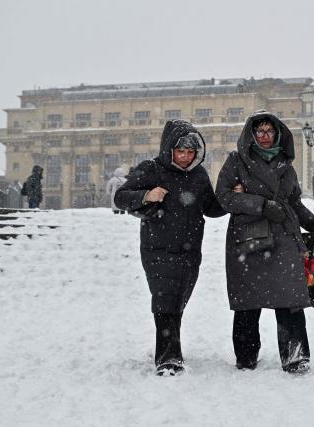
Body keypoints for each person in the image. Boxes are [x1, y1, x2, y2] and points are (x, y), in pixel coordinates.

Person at [216, 110, 314, 374]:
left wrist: (312, 224)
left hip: (284, 237)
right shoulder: (236, 161)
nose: (264, 136)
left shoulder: (285, 165)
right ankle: (246, 357)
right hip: (248, 238)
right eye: (259, 131)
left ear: (277, 134)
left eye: (269, 131)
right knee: (248, 302)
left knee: (289, 298)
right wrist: (261, 205)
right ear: (251, 134)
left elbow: (294, 202)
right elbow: (224, 197)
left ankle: (295, 356)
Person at [114, 119, 226, 377]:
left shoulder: (199, 175)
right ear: (169, 149)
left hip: (190, 251)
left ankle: (170, 347)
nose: (186, 157)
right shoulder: (152, 169)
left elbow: (210, 208)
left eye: (190, 152)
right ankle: (168, 359)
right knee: (165, 300)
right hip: (158, 249)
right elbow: (121, 197)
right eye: (180, 151)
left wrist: (231, 199)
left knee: (178, 301)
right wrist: (146, 195)